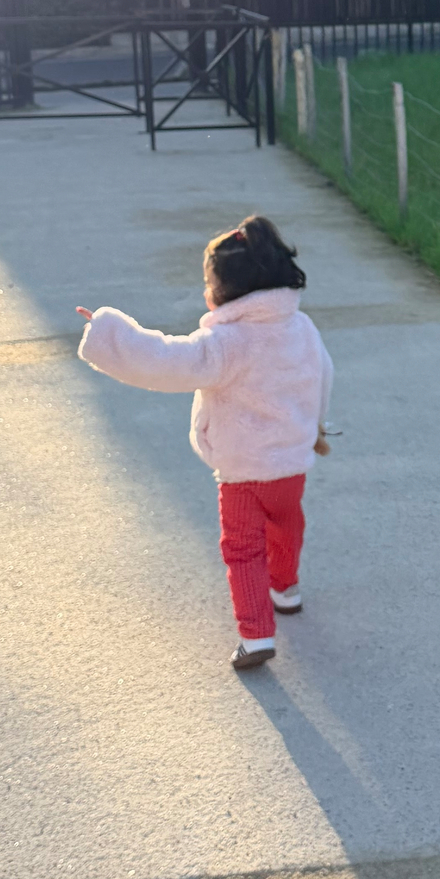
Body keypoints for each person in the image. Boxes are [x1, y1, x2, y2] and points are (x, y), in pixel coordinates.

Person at [77, 213, 333, 671]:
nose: (205, 293)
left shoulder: (225, 343)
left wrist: (107, 331)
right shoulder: (301, 327)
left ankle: (256, 635)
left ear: (230, 293)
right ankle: (286, 589)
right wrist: (316, 426)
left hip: (241, 472)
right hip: (291, 464)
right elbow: (323, 375)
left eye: (209, 284)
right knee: (286, 525)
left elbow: (164, 360)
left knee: (243, 549)